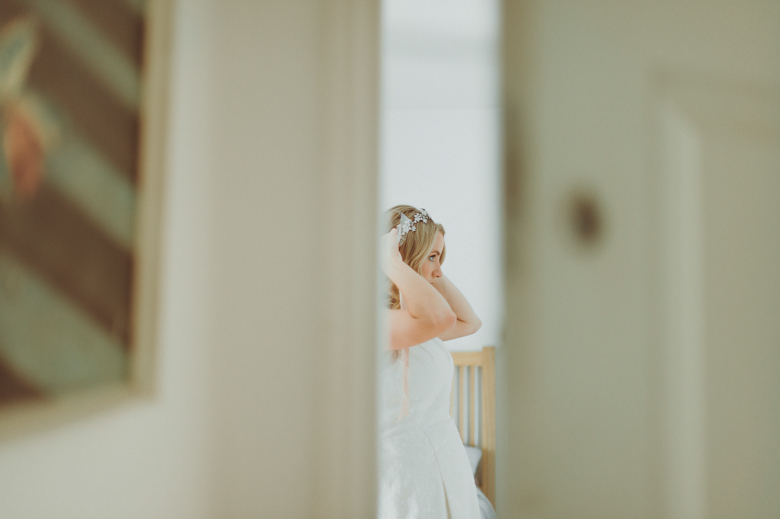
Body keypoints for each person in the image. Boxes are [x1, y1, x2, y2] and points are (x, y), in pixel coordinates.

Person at [378, 205, 482, 519]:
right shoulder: (377, 322)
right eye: (433, 257)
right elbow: (442, 316)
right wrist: (395, 265)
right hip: (406, 475)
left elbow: (470, 322)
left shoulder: (420, 324)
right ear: (404, 257)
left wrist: (430, 269)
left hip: (447, 466)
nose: (439, 271)